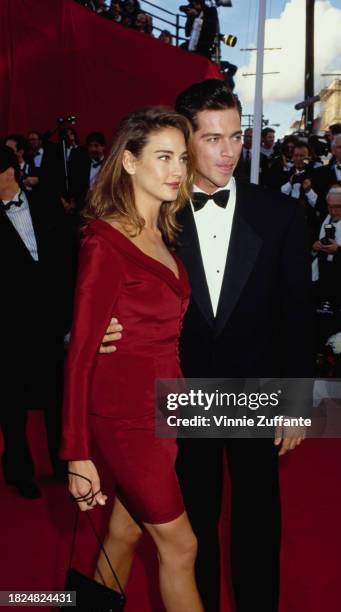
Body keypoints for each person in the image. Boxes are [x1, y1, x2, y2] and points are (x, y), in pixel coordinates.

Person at [100, 79, 313, 612]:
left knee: (259, 520)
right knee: (190, 525)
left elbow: (296, 314)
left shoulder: (279, 215)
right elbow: (105, 282)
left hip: (256, 391)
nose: (227, 152)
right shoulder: (155, 215)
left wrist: (295, 402)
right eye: (212, 138)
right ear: (185, 139)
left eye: (236, 137)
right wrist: (101, 327)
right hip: (181, 390)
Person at [59, 107, 203, 612]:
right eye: (163, 157)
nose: (177, 171)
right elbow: (78, 357)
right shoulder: (105, 243)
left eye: (182, 158)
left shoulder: (164, 231)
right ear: (128, 162)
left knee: (122, 535)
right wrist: (77, 455)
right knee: (181, 547)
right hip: (126, 419)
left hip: (165, 409)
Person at [0, 145, 77, 498]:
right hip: (10, 326)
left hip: (51, 319)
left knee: (56, 399)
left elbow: (68, 257)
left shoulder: (46, 201)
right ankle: (19, 470)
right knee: (11, 404)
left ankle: (63, 464)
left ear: (10, 172)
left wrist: (72, 317)